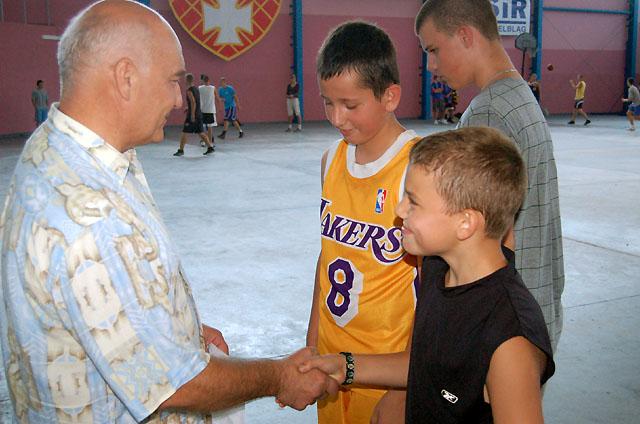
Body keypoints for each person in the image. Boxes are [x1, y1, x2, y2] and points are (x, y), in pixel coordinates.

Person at [0, 1, 337, 422]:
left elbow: (105, 300)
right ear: (126, 78)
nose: (180, 100)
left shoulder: (63, 152)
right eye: (172, 81)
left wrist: (180, 329)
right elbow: (172, 385)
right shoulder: (89, 214)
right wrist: (278, 376)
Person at [301, 127, 556, 424]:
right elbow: (423, 364)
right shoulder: (438, 268)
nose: (399, 209)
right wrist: (344, 366)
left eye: (413, 200)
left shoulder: (510, 341)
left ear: (465, 223)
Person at [406, 2, 565, 420]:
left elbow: (492, 234)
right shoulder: (519, 98)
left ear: (465, 36)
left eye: (433, 49)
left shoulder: (490, 111)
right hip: (536, 305)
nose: (431, 65)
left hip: (497, 328)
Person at [306, 21, 421, 424]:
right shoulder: (331, 161)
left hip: (388, 371)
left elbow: (440, 295)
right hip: (334, 364)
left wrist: (403, 390)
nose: (337, 117)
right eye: (327, 102)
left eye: (351, 105)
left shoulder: (418, 169)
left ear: (390, 96)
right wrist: (312, 346)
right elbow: (327, 259)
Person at [173, 73, 214, 156]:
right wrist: (188, 107)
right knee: (201, 132)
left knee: (185, 132)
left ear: (187, 80)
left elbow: (193, 102)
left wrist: (192, 114)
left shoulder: (189, 91)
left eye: (185, 79)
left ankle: (181, 150)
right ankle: (210, 147)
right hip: (199, 114)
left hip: (193, 115)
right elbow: (196, 101)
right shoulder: (196, 89)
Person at [199, 74, 219, 143]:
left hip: (202, 110)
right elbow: (217, 98)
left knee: (202, 128)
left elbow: (196, 98)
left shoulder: (199, 88)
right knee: (210, 128)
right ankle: (210, 143)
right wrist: (219, 107)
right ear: (209, 80)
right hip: (211, 110)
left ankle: (203, 141)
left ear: (203, 81)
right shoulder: (213, 88)